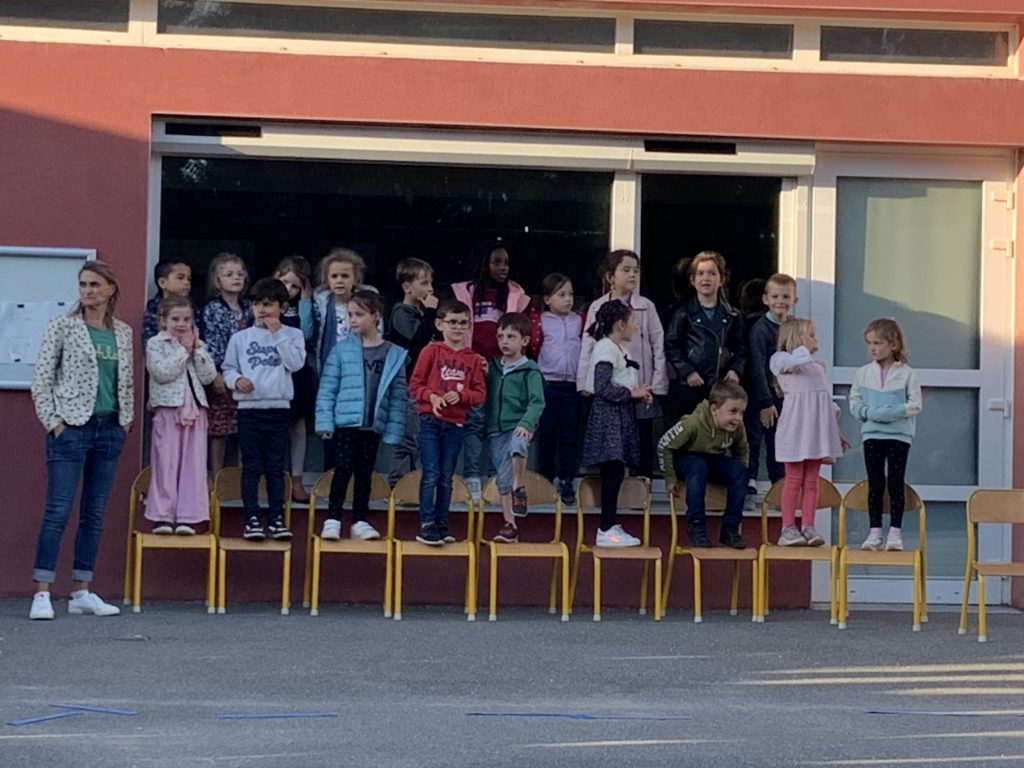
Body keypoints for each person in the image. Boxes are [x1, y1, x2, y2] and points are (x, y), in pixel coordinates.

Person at [29, 261, 134, 620]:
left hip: (109, 428)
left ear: (110, 289)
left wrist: (125, 419)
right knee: (58, 510)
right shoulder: (63, 325)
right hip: (70, 428)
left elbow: (125, 379)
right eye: (83, 284)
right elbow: (42, 378)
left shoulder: (122, 332)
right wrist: (54, 423)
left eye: (95, 284)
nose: (88, 291)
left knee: (94, 513)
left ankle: (81, 590)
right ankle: (42, 591)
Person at [315, 291, 407, 541]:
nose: (353, 319)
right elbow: (328, 388)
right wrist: (325, 422)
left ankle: (359, 520)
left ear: (375, 316)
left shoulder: (393, 353)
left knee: (365, 472)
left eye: (359, 314)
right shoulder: (341, 350)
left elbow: (398, 395)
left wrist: (394, 430)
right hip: (346, 422)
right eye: (350, 314)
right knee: (342, 468)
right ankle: (333, 518)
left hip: (373, 424)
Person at [221, 278, 306, 541]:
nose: (261, 310)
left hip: (279, 408)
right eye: (257, 304)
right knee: (251, 465)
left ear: (283, 307)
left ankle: (277, 518)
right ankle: (251, 518)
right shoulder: (240, 338)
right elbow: (228, 368)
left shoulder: (293, 334)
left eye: (268, 305)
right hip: (249, 409)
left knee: (275, 466)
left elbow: (296, 364)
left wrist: (278, 333)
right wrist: (236, 380)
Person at [577, 249, 667, 477]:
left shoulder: (646, 306)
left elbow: (658, 344)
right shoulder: (598, 307)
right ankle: (614, 487)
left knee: (642, 437)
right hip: (612, 387)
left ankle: (642, 485)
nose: (632, 275)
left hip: (642, 383)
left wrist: (657, 383)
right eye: (626, 270)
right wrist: (584, 382)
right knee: (614, 443)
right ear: (610, 277)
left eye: (636, 270)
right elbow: (588, 345)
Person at [451, 239, 530, 499]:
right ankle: (472, 476)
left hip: (502, 367)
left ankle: (499, 480)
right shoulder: (466, 292)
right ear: (483, 263)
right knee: (474, 422)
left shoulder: (515, 294)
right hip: (472, 364)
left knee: (500, 423)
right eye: (497, 262)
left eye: (506, 263)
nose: (503, 267)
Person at [408, 299, 486, 545]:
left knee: (446, 475)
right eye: (453, 322)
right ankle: (427, 523)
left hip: (455, 423)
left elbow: (479, 394)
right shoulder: (431, 351)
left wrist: (461, 396)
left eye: (463, 323)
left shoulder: (473, 359)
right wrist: (432, 396)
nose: (458, 327)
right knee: (431, 472)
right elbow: (415, 384)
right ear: (440, 324)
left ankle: (442, 524)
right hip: (430, 420)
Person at [580, 301, 653, 547]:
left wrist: (638, 394)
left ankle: (610, 524)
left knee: (616, 470)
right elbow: (602, 387)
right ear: (621, 324)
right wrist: (631, 394)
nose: (635, 326)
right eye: (633, 321)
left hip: (619, 415)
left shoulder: (619, 349)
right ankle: (606, 528)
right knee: (613, 470)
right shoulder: (606, 348)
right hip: (609, 417)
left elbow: (619, 382)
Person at [770, 318, 847, 547]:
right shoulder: (782, 359)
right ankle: (787, 527)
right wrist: (803, 348)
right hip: (796, 428)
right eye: (811, 335)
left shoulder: (817, 367)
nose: (816, 339)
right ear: (797, 338)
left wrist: (835, 431)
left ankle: (808, 525)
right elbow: (791, 362)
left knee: (812, 480)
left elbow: (824, 400)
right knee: (793, 478)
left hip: (815, 431)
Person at [144, 294, 217, 535]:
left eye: (186, 319)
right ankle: (162, 516)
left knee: (193, 464)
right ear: (163, 320)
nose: (181, 324)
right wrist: (183, 351)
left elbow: (208, 376)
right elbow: (161, 373)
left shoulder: (197, 343)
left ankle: (189, 516)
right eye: (175, 319)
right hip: (168, 410)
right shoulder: (156, 343)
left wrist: (196, 351)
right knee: (165, 463)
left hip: (195, 410)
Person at [849, 318, 922, 552]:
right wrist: (868, 413)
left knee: (895, 481)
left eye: (878, 343)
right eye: (869, 343)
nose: (872, 348)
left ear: (893, 344)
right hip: (872, 435)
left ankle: (895, 533)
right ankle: (874, 532)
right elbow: (854, 401)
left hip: (899, 436)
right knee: (875, 482)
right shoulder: (862, 373)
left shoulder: (907, 374)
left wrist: (885, 413)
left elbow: (915, 405)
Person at [656, 382, 750, 549]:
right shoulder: (693, 423)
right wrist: (670, 477)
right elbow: (664, 445)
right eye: (733, 411)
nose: (738, 418)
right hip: (686, 459)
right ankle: (696, 527)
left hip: (712, 460)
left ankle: (730, 530)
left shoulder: (737, 427)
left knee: (740, 471)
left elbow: (741, 452)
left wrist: (738, 481)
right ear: (714, 410)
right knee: (698, 466)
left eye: (742, 412)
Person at [664, 250, 747, 421]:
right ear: (692, 280)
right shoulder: (682, 313)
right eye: (700, 273)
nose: (706, 278)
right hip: (691, 384)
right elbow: (671, 345)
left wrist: (735, 370)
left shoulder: (732, 315)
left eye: (712, 273)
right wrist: (687, 371)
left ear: (721, 279)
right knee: (691, 429)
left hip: (721, 384)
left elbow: (741, 347)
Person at [486, 313, 545, 544]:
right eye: (501, 336)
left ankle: (519, 484)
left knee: (518, 444)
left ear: (524, 341)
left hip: (518, 425)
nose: (504, 341)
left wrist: (526, 423)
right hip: (496, 428)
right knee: (502, 478)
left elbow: (537, 402)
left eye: (511, 336)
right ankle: (510, 525)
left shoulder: (530, 370)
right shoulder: (492, 367)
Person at [529, 272, 583, 505]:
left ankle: (567, 479)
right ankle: (545, 478)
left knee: (570, 434)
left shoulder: (579, 320)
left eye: (570, 294)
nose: (568, 299)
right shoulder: (540, 321)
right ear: (547, 299)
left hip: (572, 384)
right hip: (548, 383)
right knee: (548, 433)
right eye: (561, 294)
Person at [742, 273, 797, 497]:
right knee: (754, 437)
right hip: (760, 395)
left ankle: (779, 482)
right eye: (775, 297)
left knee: (779, 439)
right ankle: (750, 479)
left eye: (785, 297)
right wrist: (765, 401)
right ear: (765, 299)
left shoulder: (794, 328)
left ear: (794, 300)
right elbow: (756, 366)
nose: (780, 301)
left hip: (784, 394)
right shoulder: (760, 329)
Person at [199, 252, 252, 478]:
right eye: (229, 274)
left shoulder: (249, 308)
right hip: (222, 374)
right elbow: (210, 343)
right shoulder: (212, 309)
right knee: (219, 430)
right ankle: (216, 476)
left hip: (247, 376)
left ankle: (242, 477)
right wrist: (216, 374)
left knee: (244, 429)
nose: (236, 278)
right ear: (217, 281)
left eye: (240, 274)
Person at [386, 257, 439, 484]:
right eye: (424, 283)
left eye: (431, 283)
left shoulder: (421, 313)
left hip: (425, 383)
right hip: (408, 382)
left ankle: (414, 480)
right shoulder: (401, 313)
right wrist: (430, 312)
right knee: (408, 437)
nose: (430, 288)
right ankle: (397, 483)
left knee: (420, 435)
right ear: (407, 287)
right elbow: (418, 341)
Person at [273, 255, 317, 503]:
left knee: (298, 426)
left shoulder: (301, 308)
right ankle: (276, 479)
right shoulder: (265, 305)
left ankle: (297, 479)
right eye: (285, 282)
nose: (288, 290)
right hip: (272, 373)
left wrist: (306, 301)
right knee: (276, 427)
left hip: (298, 374)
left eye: (295, 286)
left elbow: (307, 334)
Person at [142, 258, 192, 347]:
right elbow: (149, 344)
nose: (186, 282)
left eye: (188, 279)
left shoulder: (192, 308)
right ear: (162, 283)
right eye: (180, 278)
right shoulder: (154, 309)